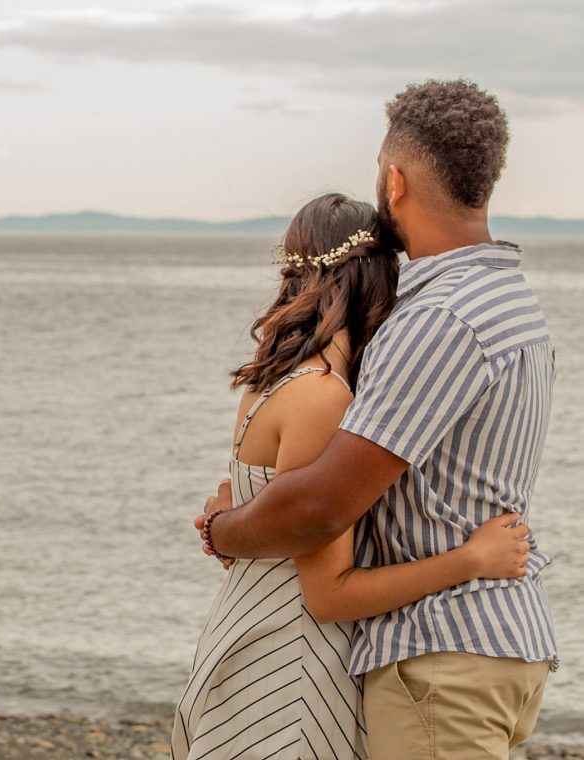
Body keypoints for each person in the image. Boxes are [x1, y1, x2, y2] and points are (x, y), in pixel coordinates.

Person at [195, 80, 557, 760]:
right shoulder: (508, 301)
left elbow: (322, 506)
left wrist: (224, 530)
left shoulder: (440, 319)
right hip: (489, 646)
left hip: (442, 652)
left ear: (394, 183)